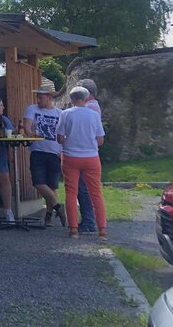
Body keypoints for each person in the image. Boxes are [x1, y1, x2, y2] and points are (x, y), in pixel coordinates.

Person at [56, 86, 107, 240]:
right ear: (86, 98)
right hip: (91, 157)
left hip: (71, 157)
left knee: (71, 193)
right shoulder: (94, 115)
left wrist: (69, 142)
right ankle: (102, 231)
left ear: (71, 99)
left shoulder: (65, 114)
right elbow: (100, 140)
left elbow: (59, 138)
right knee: (96, 193)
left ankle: (73, 230)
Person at [23, 82, 66, 227]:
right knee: (39, 183)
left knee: (52, 186)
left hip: (54, 152)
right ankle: (59, 207)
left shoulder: (59, 113)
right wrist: (30, 133)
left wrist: (63, 151)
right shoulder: (32, 109)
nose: (38, 100)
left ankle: (48, 215)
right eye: (37, 97)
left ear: (49, 97)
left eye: (41, 97)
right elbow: (27, 126)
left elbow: (63, 134)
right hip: (38, 151)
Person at [75, 78, 101, 233]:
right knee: (87, 189)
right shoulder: (94, 106)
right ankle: (91, 221)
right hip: (91, 152)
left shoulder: (89, 108)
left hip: (83, 153)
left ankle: (88, 222)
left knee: (83, 189)